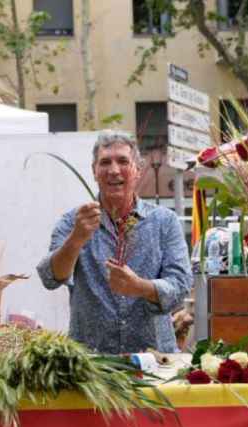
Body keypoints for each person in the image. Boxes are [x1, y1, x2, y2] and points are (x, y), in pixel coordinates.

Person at [37, 130, 193, 353]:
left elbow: (180, 285)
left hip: (154, 362)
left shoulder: (164, 222)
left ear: (137, 170)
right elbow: (50, 277)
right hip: (92, 364)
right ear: (94, 171)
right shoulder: (74, 222)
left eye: (122, 161)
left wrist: (140, 287)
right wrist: (76, 239)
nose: (113, 170)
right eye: (105, 162)